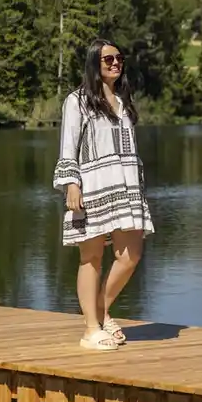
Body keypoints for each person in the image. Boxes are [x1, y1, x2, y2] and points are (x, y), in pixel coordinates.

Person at [53, 39, 154, 351]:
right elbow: (68, 146)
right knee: (92, 256)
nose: (115, 63)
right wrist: (71, 184)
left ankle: (100, 310)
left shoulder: (123, 100)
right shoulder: (77, 100)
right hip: (93, 186)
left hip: (126, 187)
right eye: (108, 58)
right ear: (94, 63)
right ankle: (91, 329)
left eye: (119, 58)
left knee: (131, 255)